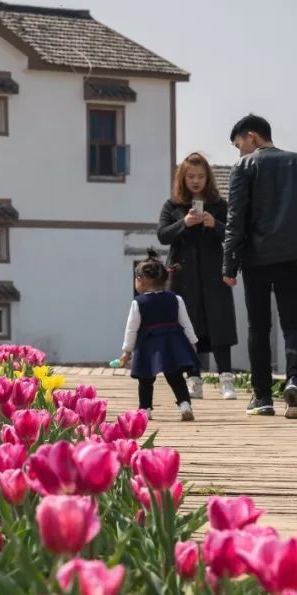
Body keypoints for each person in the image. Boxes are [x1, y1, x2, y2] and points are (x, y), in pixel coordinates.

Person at [222, 114, 297, 419]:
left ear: (252, 137)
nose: (239, 152)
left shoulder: (243, 168)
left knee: (258, 326)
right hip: (295, 256)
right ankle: (295, 382)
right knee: (293, 324)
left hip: (256, 259)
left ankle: (262, 397)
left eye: (239, 145)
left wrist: (229, 264)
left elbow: (236, 220)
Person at [158, 153, 239, 401]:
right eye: (191, 176)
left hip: (215, 275)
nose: (196, 181)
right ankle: (193, 378)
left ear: (208, 178)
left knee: (219, 322)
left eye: (200, 176)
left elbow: (233, 236)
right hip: (183, 276)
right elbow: (163, 235)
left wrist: (214, 224)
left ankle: (226, 378)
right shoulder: (172, 206)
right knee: (187, 324)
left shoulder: (220, 205)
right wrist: (185, 222)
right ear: (183, 178)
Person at [117, 250, 201, 422]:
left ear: (140, 280)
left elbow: (131, 329)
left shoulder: (138, 303)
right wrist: (192, 343)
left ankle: (145, 410)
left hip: (148, 344)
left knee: (145, 379)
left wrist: (127, 351)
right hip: (172, 342)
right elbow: (186, 323)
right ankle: (185, 405)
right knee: (175, 376)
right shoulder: (175, 298)